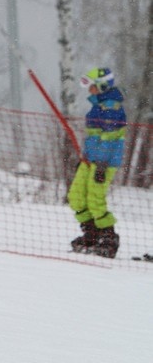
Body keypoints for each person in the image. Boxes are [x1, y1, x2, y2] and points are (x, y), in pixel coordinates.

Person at [67, 67, 127, 259]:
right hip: (89, 160)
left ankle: (108, 237)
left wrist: (100, 163)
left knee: (95, 198)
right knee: (76, 196)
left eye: (92, 86)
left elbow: (109, 138)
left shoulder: (112, 108)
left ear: (102, 86)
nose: (89, 90)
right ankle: (91, 234)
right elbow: (93, 137)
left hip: (104, 162)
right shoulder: (97, 106)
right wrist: (84, 158)